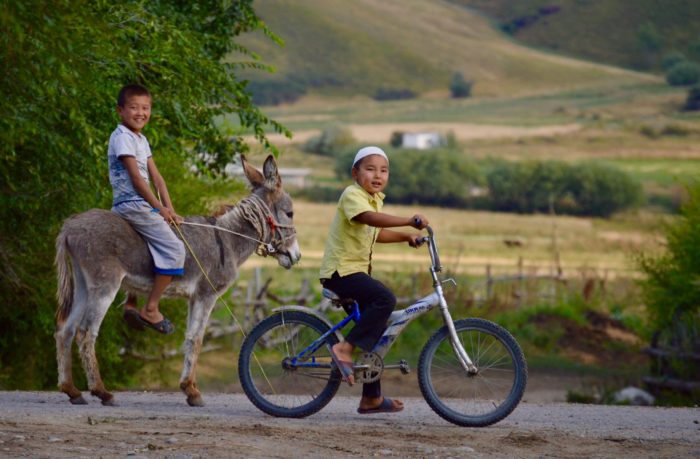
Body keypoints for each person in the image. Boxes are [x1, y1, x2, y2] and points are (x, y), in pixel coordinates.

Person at [319, 145, 429, 414]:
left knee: (375, 329)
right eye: (370, 169)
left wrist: (405, 236)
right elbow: (368, 219)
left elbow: (374, 233)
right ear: (355, 173)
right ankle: (344, 349)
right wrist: (408, 221)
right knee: (385, 299)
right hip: (341, 272)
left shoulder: (374, 199)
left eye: (384, 170)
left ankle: (371, 398)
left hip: (355, 273)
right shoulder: (352, 195)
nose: (377, 175)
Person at [108, 84, 185, 334]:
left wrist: (170, 209)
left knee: (149, 246)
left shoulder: (141, 139)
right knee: (174, 250)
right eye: (133, 107)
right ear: (120, 110)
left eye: (146, 108)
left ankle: (131, 301)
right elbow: (137, 179)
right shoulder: (121, 137)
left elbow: (157, 178)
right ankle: (151, 308)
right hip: (132, 204)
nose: (140, 113)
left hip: (141, 204)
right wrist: (159, 209)